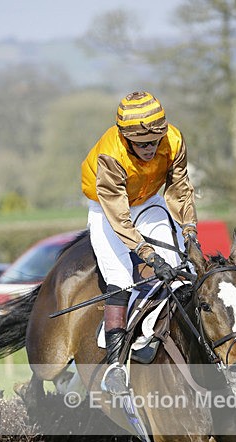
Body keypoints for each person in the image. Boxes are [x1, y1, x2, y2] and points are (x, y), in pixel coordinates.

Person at [81, 90, 199, 395]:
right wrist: (146, 253)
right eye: (142, 144)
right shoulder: (111, 153)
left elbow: (179, 188)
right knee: (120, 280)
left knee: (178, 268)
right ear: (125, 137)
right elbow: (119, 216)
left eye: (155, 141)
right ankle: (116, 367)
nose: (150, 149)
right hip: (108, 208)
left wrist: (189, 230)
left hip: (148, 200)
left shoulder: (173, 140)